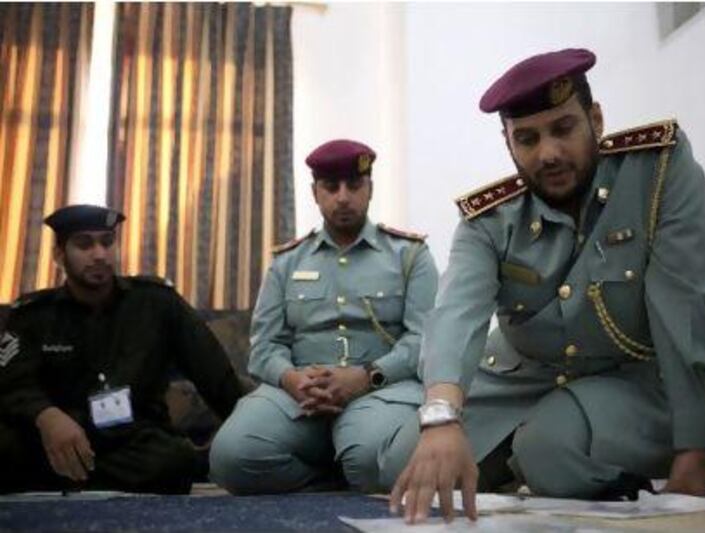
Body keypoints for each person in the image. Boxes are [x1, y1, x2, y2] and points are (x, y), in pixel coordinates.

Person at [382, 48, 705, 523]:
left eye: (563, 129)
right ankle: (510, 461)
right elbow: (456, 314)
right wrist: (442, 417)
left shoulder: (658, 170)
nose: (548, 153)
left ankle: (526, 457)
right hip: (525, 376)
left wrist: (692, 453)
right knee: (398, 463)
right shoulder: (490, 219)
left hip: (632, 379)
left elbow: (685, 309)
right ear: (509, 146)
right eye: (527, 139)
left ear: (596, 119)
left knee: (549, 453)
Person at [209, 139, 439, 494]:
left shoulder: (409, 255)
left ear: (370, 189)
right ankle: (327, 482)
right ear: (315, 193)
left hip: (381, 391)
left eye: (354, 185)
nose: (343, 197)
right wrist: (291, 380)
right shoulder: (287, 262)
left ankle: (349, 469)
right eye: (331, 187)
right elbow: (265, 347)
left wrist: (366, 377)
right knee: (231, 458)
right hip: (301, 396)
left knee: (370, 461)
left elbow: (424, 340)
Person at [0, 205, 244, 494]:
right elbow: (13, 384)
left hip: (133, 440)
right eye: (84, 244)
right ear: (58, 255)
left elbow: (216, 377)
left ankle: (68, 484)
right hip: (59, 439)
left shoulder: (157, 304)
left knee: (175, 462)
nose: (99, 254)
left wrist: (249, 427)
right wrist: (46, 416)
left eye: (107, 241)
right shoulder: (33, 314)